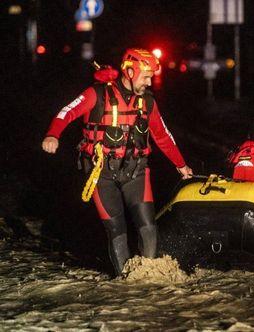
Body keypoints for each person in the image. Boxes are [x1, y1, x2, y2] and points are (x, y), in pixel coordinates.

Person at [41, 48, 193, 276]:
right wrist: (53, 135)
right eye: (146, 76)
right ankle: (125, 280)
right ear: (130, 72)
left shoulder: (148, 102)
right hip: (101, 173)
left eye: (151, 76)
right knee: (117, 229)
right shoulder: (97, 94)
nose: (150, 82)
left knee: (148, 227)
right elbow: (66, 112)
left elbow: (162, 135)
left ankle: (147, 276)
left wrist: (181, 165)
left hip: (136, 172)